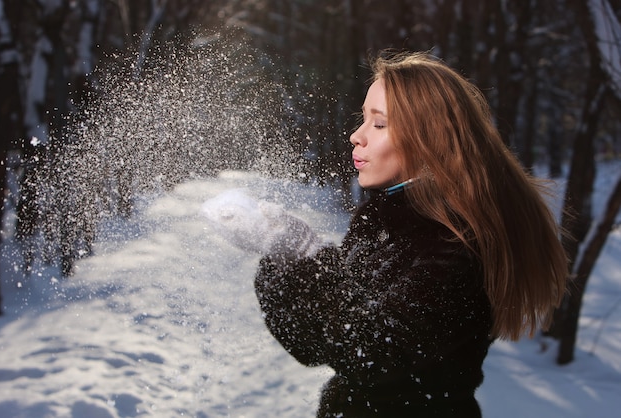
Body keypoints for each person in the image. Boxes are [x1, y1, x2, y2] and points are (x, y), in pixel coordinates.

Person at [201, 50, 568, 417]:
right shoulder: (385, 218)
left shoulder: (455, 242)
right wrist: (283, 254)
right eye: (364, 119)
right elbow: (314, 346)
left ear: (428, 138)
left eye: (379, 124)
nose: (356, 135)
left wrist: (308, 257)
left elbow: (371, 354)